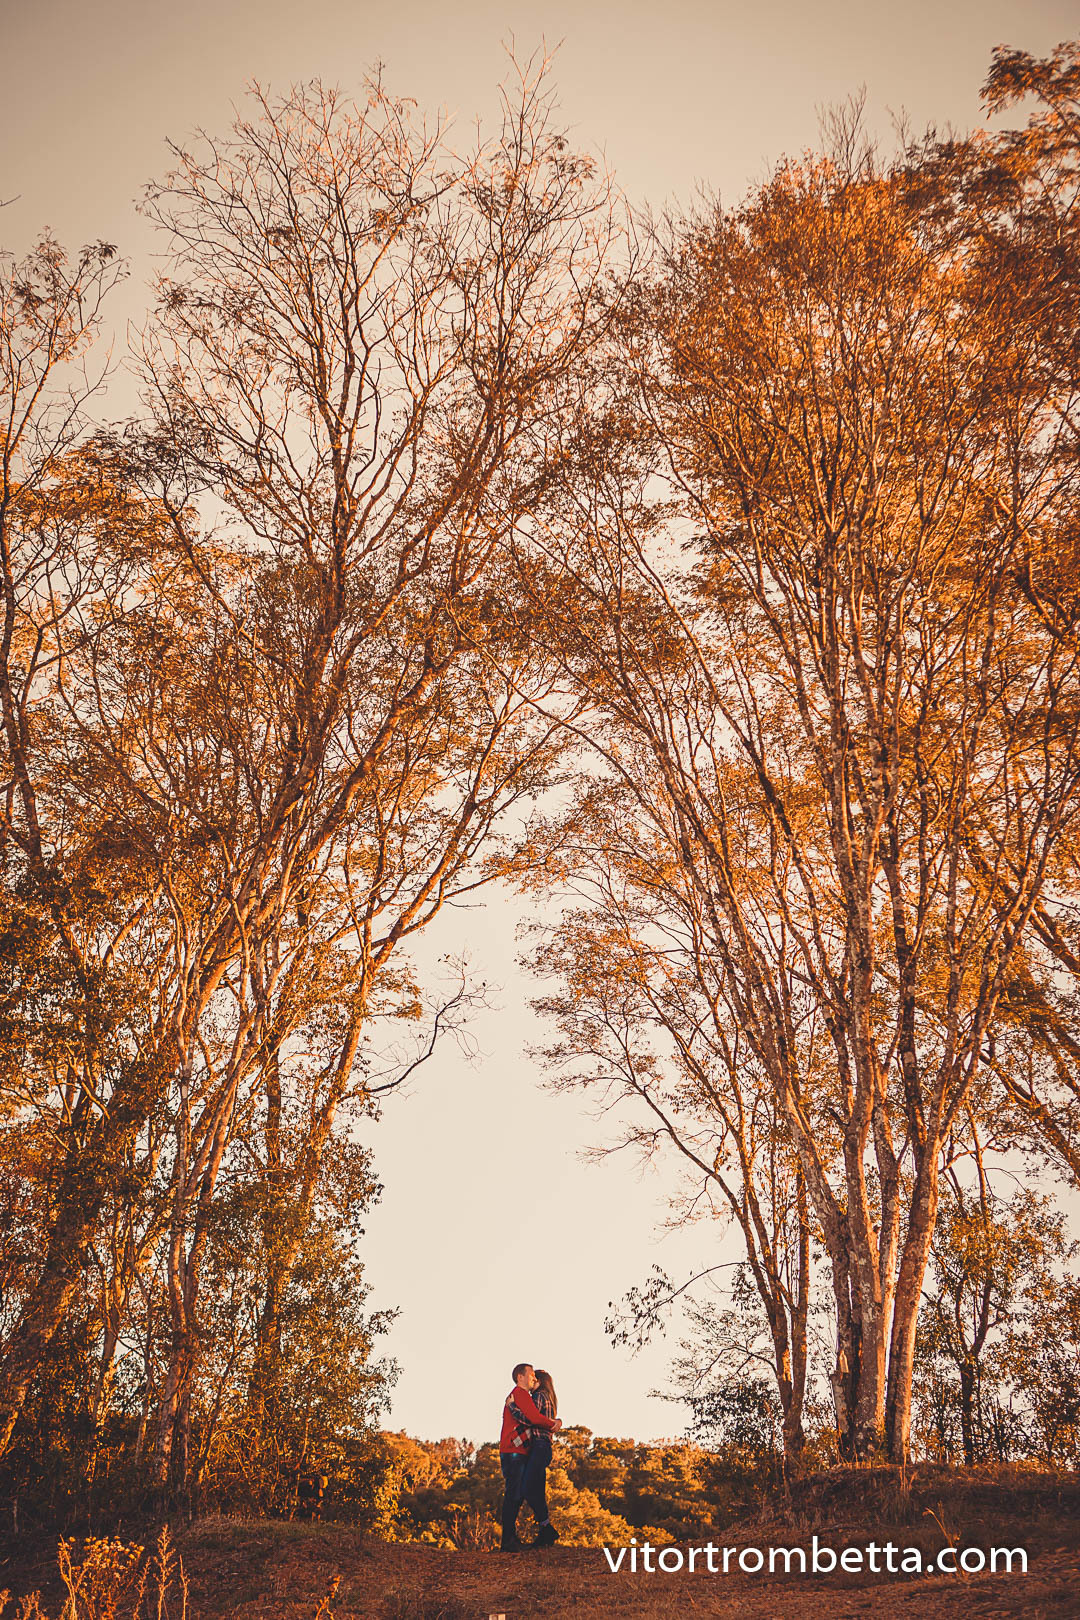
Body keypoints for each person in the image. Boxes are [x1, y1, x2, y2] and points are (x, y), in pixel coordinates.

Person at [499, 1362, 561, 1551]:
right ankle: (510, 1539)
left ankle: (540, 1531)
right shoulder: (520, 1394)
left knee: (521, 1492)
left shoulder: (524, 1396)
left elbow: (530, 1418)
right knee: (516, 1494)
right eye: (531, 1374)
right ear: (520, 1377)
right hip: (515, 1451)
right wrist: (553, 1424)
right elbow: (533, 1418)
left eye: (535, 1375)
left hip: (521, 1450)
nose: (534, 1378)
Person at [522, 1368, 559, 1547]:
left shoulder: (539, 1396)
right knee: (536, 1488)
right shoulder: (548, 1397)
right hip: (543, 1447)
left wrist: (512, 1405)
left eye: (534, 1379)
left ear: (540, 1381)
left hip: (539, 1446)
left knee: (528, 1487)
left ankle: (547, 1528)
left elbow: (530, 1418)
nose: (532, 1382)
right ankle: (546, 1530)